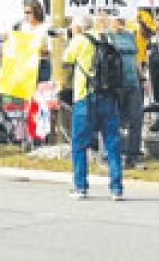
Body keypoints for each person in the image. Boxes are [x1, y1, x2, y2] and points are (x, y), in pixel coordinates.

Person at [62, 14, 123, 200]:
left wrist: (69, 40)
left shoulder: (79, 40)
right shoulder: (105, 38)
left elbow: (66, 61)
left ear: (78, 28)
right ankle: (116, 188)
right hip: (108, 96)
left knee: (79, 144)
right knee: (112, 143)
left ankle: (80, 186)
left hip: (85, 97)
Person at [106, 14, 145, 169]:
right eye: (117, 19)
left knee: (136, 119)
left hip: (133, 83)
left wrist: (142, 78)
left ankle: (132, 155)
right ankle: (116, 154)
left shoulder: (130, 36)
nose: (121, 22)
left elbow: (136, 59)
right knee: (116, 121)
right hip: (116, 84)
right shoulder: (107, 36)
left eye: (123, 18)